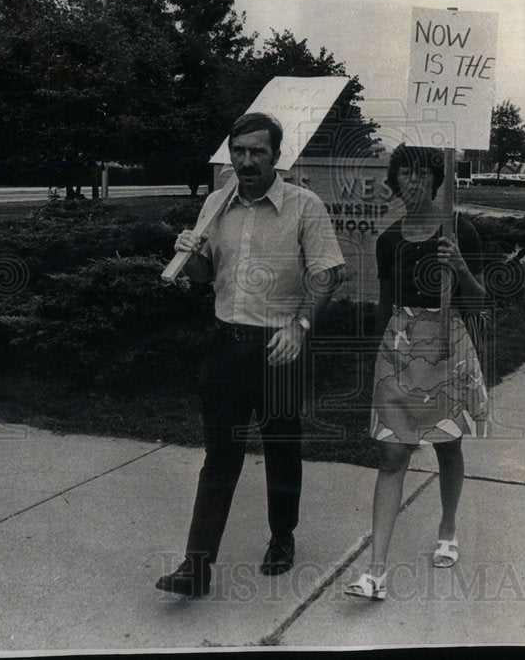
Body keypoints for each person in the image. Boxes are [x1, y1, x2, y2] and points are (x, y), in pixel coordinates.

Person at [156, 112, 345, 597]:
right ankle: (196, 566)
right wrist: (189, 254)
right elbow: (203, 276)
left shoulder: (305, 207)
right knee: (219, 456)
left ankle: (282, 537)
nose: (246, 161)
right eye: (238, 151)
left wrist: (301, 326)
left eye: (257, 152)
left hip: (280, 347)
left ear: (277, 157)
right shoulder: (217, 205)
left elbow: (326, 273)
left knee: (282, 450)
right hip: (226, 346)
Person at [344, 145, 488, 601]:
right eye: (402, 172)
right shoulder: (389, 239)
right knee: (391, 456)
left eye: (420, 172)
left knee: (447, 445)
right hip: (400, 347)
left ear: (436, 177)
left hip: (447, 343)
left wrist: (459, 265)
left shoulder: (460, 231)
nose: (411, 181)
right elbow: (385, 304)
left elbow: (481, 302)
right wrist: (378, 356)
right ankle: (376, 571)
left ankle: (447, 527)